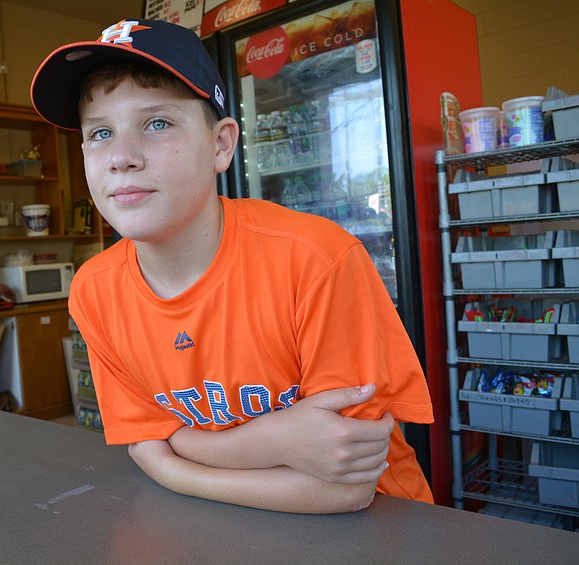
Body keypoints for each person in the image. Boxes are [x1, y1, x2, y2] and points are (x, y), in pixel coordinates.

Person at [30, 18, 434, 514]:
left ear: (221, 144)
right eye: (99, 133)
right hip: (216, 531)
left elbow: (347, 488)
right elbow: (142, 444)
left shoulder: (315, 259)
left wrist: (176, 461)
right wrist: (281, 442)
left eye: (157, 123)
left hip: (381, 532)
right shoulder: (94, 291)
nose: (121, 157)